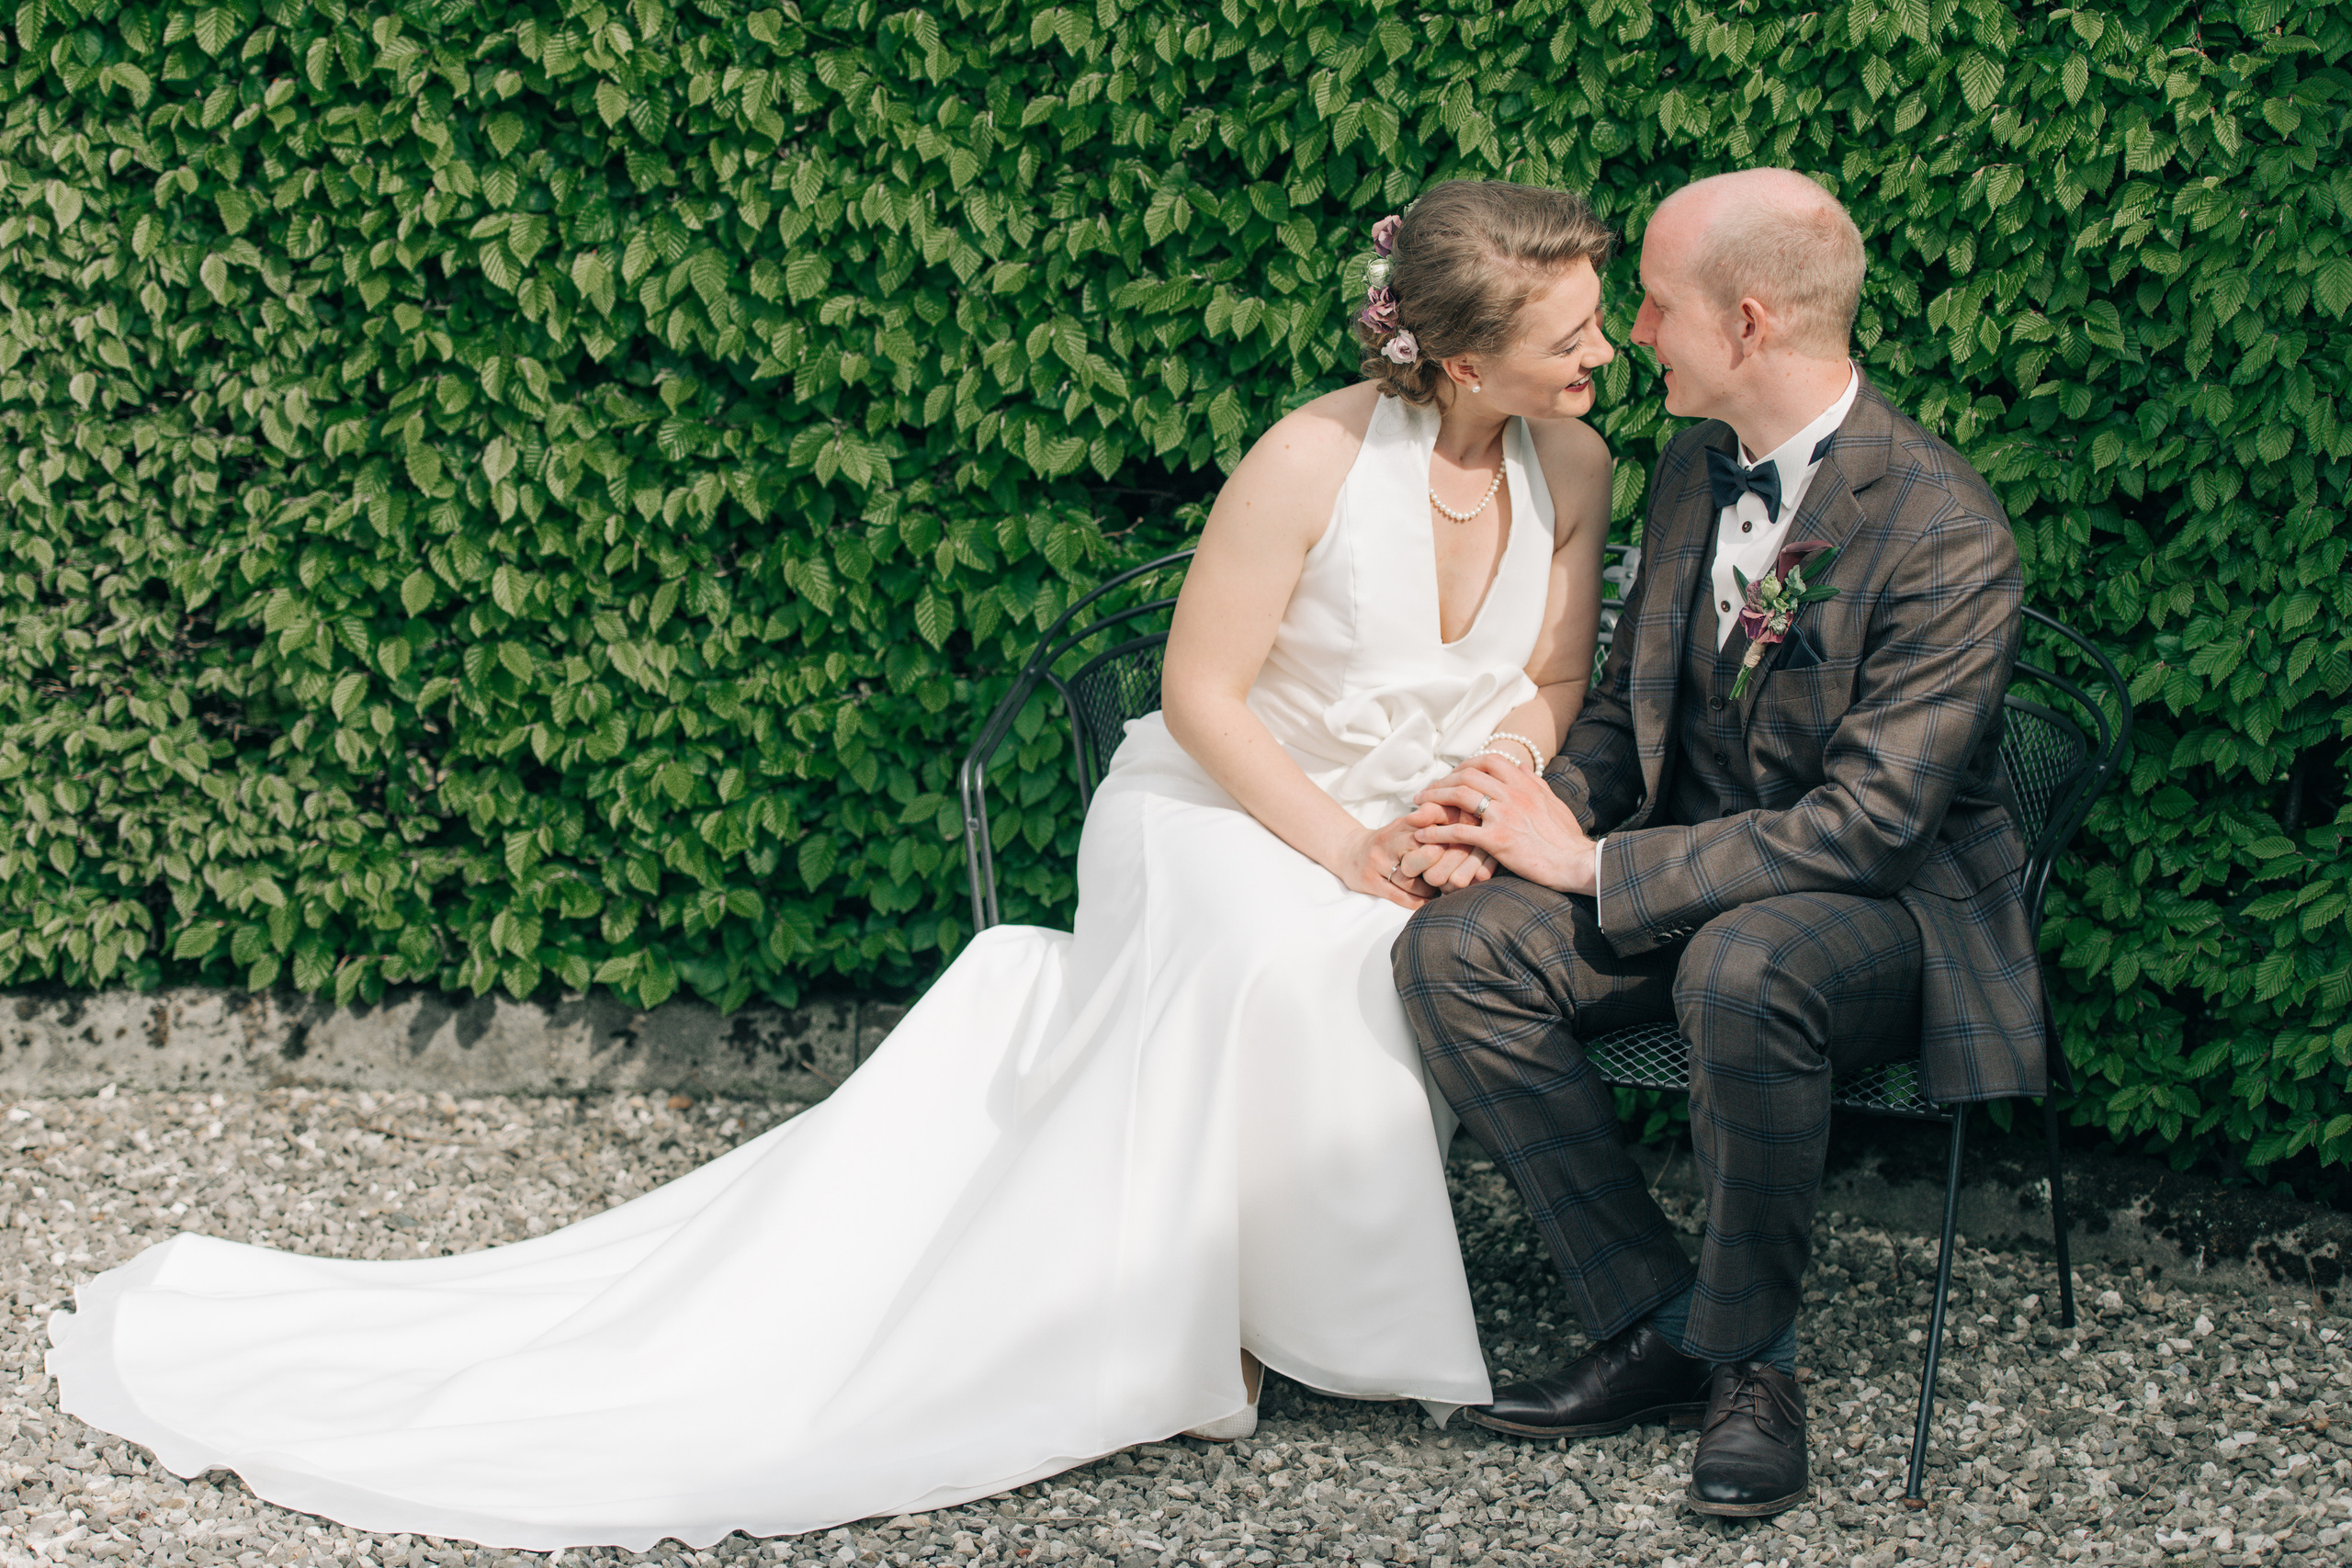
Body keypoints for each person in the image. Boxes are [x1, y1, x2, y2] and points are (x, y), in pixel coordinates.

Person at [45, 180, 1623, 1552]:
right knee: (1280, 950)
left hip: (1426, 814)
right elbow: (1201, 698)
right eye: (1572, 335)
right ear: (1460, 356)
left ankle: (1291, 1304)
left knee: (1390, 953)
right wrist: (1347, 842)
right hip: (1221, 804)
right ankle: (1206, 1318)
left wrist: (1484, 796)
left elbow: (1549, 679)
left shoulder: (1577, 462)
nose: (1603, 354)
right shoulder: (1306, 459)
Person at [1392, 167, 2037, 1518]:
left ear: (1748, 322)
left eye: (1652, 303)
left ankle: (1755, 1369)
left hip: (1883, 916)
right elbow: (1629, 717)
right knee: (1456, 951)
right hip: (1689, 876)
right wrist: (1517, 815)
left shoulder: (1944, 529)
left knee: (1744, 967)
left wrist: (1596, 867)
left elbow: (1871, 826)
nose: (1629, 334)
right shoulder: (1695, 465)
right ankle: (1664, 1324)